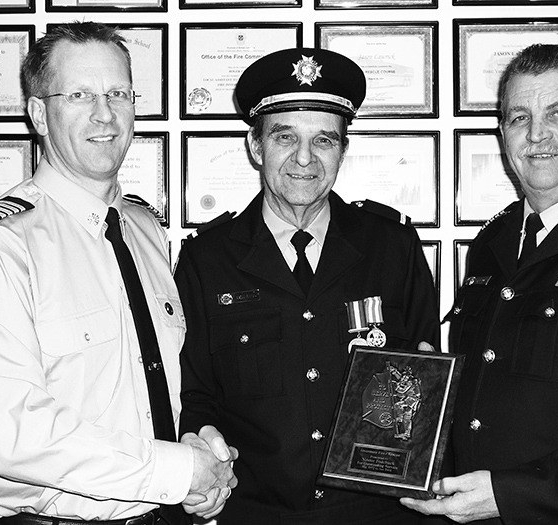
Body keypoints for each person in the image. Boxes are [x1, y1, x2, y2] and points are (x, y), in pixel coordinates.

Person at [0, 22, 237, 524]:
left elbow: (154, 389)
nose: (104, 114)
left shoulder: (146, 229)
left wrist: (195, 446)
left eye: (118, 93)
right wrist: (174, 470)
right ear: (40, 113)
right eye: (80, 94)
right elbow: (11, 432)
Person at [173, 47, 440, 524]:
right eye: (284, 137)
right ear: (256, 146)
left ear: (343, 150)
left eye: (324, 141)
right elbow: (195, 395)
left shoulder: (392, 247)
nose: (304, 159)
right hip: (258, 514)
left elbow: (422, 376)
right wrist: (201, 445)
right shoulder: (207, 260)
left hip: (375, 514)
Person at [401, 44, 558, 523]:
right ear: (503, 133)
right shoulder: (493, 241)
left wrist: (510, 493)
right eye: (519, 117)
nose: (537, 135)